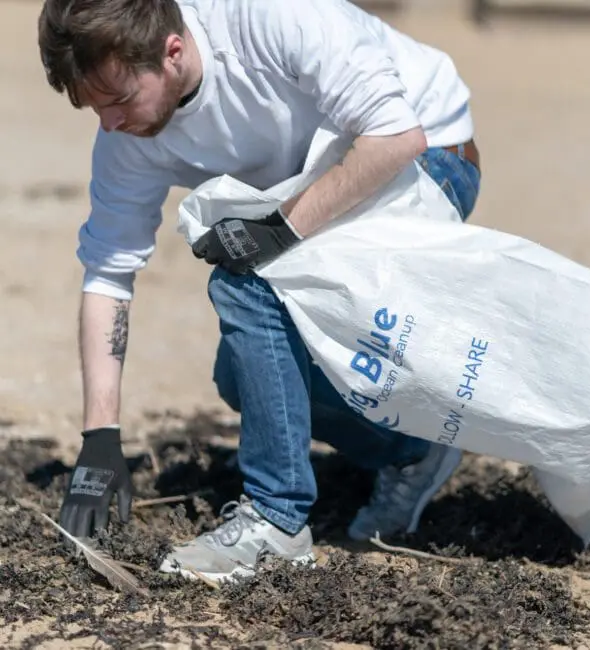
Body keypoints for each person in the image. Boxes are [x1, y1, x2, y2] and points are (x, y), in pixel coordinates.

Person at [38, 0, 481, 582]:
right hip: (320, 179)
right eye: (94, 108)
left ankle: (276, 521)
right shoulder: (127, 134)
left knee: (244, 277)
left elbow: (396, 137)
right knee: (240, 377)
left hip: (428, 154)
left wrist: (278, 230)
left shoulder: (271, 16)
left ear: (172, 54)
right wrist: (100, 437)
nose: (110, 124)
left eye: (118, 100)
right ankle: (412, 451)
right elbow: (108, 274)